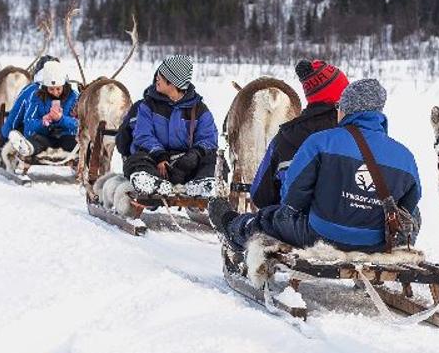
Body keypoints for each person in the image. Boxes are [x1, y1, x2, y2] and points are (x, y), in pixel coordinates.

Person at [211, 78, 421, 253]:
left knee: (268, 219)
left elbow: (292, 197)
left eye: (339, 106)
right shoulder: (405, 157)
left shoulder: (320, 142)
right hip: (376, 242)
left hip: (319, 235)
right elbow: (409, 206)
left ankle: (233, 227)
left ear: (347, 110)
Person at [249, 59, 350, 208]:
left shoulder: (284, 138)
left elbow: (259, 195)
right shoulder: (359, 133)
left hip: (294, 224)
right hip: (352, 223)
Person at [125, 55, 220, 197]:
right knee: (136, 159)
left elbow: (209, 139)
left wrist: (194, 156)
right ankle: (152, 183)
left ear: (173, 82)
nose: (156, 77)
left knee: (214, 160)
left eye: (161, 75)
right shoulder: (148, 105)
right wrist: (159, 155)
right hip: (155, 162)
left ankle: (203, 184)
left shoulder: (199, 109)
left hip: (186, 164)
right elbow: (142, 135)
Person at [0, 60, 79, 167]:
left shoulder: (74, 97)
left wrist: (61, 119)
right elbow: (28, 124)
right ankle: (25, 148)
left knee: (72, 141)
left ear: (64, 85)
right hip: (43, 136)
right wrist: (43, 122)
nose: (55, 93)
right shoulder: (36, 96)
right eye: (51, 89)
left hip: (65, 136)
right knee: (37, 141)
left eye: (58, 89)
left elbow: (79, 124)